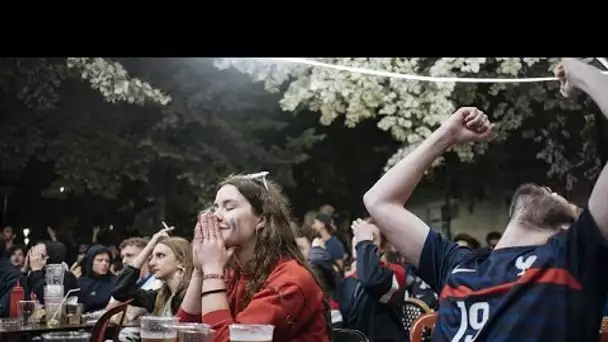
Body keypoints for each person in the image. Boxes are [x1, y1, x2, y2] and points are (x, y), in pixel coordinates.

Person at [362, 58, 608, 341]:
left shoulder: (575, 256)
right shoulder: (460, 264)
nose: (550, 189)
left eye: (566, 200)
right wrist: (447, 135)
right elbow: (379, 201)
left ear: (569, 227)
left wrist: (582, 73)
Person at [177, 173, 331, 342]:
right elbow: (184, 335)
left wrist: (212, 271)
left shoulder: (290, 280)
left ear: (262, 220)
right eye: (215, 208)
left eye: (229, 208)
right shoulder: (232, 271)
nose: (216, 216)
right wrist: (200, 271)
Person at [338, 218, 407, 342]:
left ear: (381, 248)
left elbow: (371, 281)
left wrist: (365, 242)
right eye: (358, 235)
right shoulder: (348, 280)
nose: (360, 241)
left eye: (371, 238)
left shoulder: (395, 272)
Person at [111, 232, 192, 316]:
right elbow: (120, 291)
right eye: (152, 257)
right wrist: (149, 247)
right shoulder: (158, 297)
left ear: (181, 261)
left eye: (160, 256)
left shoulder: (192, 295)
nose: (151, 263)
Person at [77, 244, 116, 312]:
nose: (104, 264)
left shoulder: (115, 282)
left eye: (107, 261)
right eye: (100, 260)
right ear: (91, 261)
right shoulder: (80, 283)